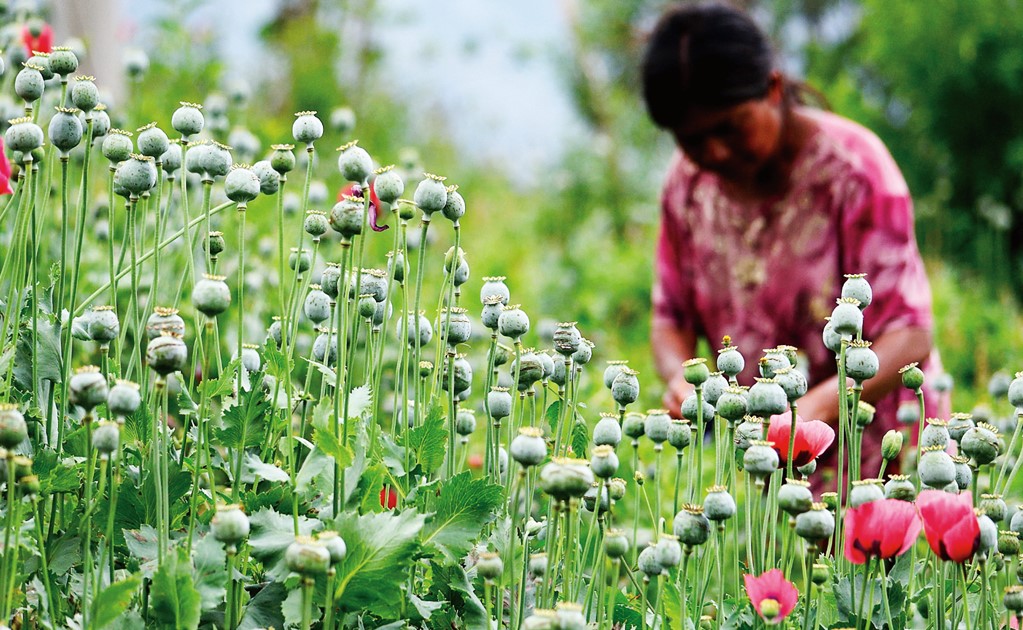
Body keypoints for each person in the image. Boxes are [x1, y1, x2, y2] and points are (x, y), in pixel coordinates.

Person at [641, 3, 946, 480]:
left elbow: (911, 332)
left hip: (885, 456)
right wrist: (682, 378)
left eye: (731, 127)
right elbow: (669, 320)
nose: (715, 152)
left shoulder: (855, 172)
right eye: (693, 140)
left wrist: (811, 414)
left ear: (773, 88)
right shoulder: (687, 188)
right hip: (769, 467)